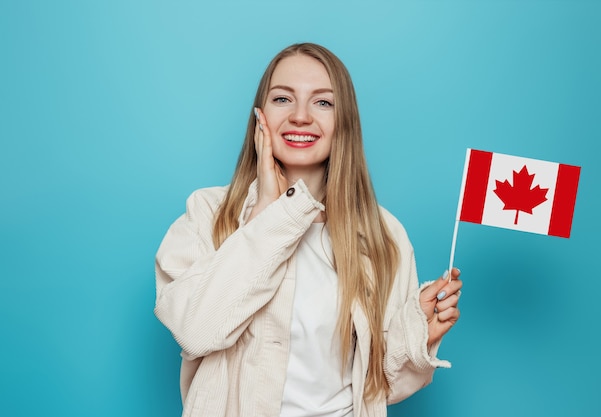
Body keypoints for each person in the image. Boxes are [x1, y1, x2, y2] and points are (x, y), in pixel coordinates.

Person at [154, 42, 462, 417]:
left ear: (344, 121)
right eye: (283, 99)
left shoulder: (384, 234)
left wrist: (417, 338)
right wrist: (270, 214)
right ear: (260, 114)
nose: (300, 116)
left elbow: (378, 389)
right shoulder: (207, 213)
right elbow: (195, 331)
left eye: (323, 103)